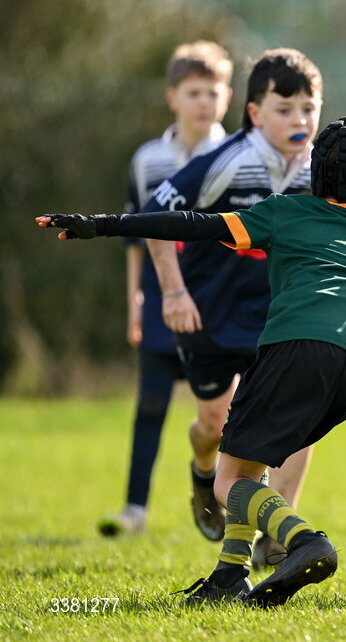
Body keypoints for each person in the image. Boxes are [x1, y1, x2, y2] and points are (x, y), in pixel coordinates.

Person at [38, 115, 346, 606]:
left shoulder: (286, 213)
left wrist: (101, 225)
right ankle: (229, 576)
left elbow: (194, 225)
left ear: (319, 171)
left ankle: (304, 541)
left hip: (297, 348)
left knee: (227, 481)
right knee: (248, 464)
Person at [140, 48, 323, 558]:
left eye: (309, 108)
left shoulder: (323, 170)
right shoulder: (224, 162)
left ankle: (274, 542)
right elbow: (155, 219)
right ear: (254, 113)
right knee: (217, 428)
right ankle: (203, 470)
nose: (299, 120)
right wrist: (173, 293)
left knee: (300, 415)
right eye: (284, 109)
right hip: (210, 313)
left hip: (281, 316)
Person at [98, 41, 233, 538]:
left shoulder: (238, 154)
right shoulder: (148, 159)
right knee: (151, 404)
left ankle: (216, 490)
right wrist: (136, 301)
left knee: (222, 419)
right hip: (160, 300)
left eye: (212, 92)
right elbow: (136, 235)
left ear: (227, 97)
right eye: (193, 92)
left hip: (219, 300)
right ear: (172, 96)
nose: (203, 101)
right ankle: (134, 509)